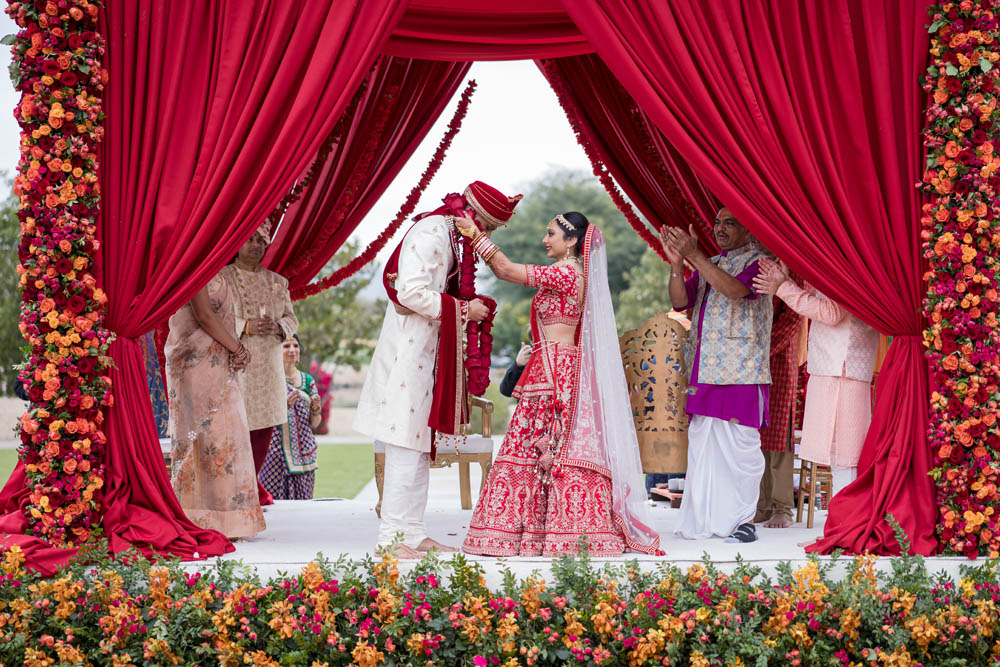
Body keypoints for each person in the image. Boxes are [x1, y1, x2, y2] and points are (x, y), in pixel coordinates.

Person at [458, 211, 661, 557]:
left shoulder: (568, 274)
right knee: (533, 447)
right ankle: (533, 532)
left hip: (557, 374)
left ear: (570, 241)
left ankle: (561, 533)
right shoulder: (565, 273)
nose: (544, 240)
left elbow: (506, 270)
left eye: (550, 234)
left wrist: (475, 235)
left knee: (546, 447)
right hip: (548, 368)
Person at [354, 181, 521, 559]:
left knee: (418, 444)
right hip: (407, 352)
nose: (488, 236)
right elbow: (408, 293)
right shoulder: (432, 233)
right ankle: (391, 539)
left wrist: (467, 304)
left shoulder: (448, 235)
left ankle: (412, 532)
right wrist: (465, 310)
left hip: (427, 353)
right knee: (404, 443)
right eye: (489, 227)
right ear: (473, 218)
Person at [662, 208, 772, 544]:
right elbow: (681, 301)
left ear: (748, 229)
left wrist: (694, 255)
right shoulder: (712, 262)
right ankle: (704, 519)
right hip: (706, 371)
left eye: (730, 222)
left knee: (741, 452)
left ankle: (742, 521)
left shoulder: (762, 263)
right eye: (717, 222)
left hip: (741, 371)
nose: (720, 228)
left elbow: (735, 291)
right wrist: (678, 265)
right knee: (703, 449)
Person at [753, 259, 878, 495]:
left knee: (847, 457)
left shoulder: (848, 264)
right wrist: (786, 280)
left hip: (844, 365)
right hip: (829, 365)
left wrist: (783, 287)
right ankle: (841, 521)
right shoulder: (838, 263)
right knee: (834, 455)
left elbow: (831, 312)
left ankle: (847, 523)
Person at [165, 271, 265, 539]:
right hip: (192, 361)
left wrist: (233, 350)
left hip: (218, 361)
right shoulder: (197, 264)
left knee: (227, 434)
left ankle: (227, 519)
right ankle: (196, 516)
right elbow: (204, 315)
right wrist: (238, 348)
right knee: (201, 437)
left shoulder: (221, 270)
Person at [220, 221, 299, 507]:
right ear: (238, 244)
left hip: (268, 366)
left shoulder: (278, 282)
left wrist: (279, 327)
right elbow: (211, 318)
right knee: (235, 428)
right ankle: (239, 493)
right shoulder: (222, 278)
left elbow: (292, 319)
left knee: (263, 427)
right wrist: (246, 325)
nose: (254, 246)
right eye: (249, 240)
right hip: (235, 363)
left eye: (260, 241)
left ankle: (250, 489)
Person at [755, 297, 802, 528]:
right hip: (749, 358)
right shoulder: (754, 260)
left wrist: (760, 349)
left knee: (779, 433)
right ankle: (761, 506)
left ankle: (782, 507)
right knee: (755, 433)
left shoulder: (792, 268)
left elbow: (793, 317)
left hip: (779, 357)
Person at [259, 334, 321, 500]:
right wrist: (283, 407)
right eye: (287, 346)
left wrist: (315, 410)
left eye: (295, 346)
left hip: (304, 455)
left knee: (304, 506)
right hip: (274, 454)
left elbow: (314, 424)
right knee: (271, 504)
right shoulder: (268, 380)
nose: (292, 350)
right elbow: (260, 416)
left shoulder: (307, 381)